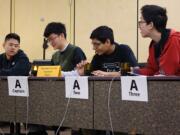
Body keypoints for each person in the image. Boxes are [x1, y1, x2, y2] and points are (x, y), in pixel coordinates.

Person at [134, 4, 180, 76]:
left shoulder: (173, 39)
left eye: (141, 22)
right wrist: (132, 72)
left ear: (151, 25)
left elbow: (167, 73)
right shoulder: (154, 44)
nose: (139, 26)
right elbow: (151, 70)